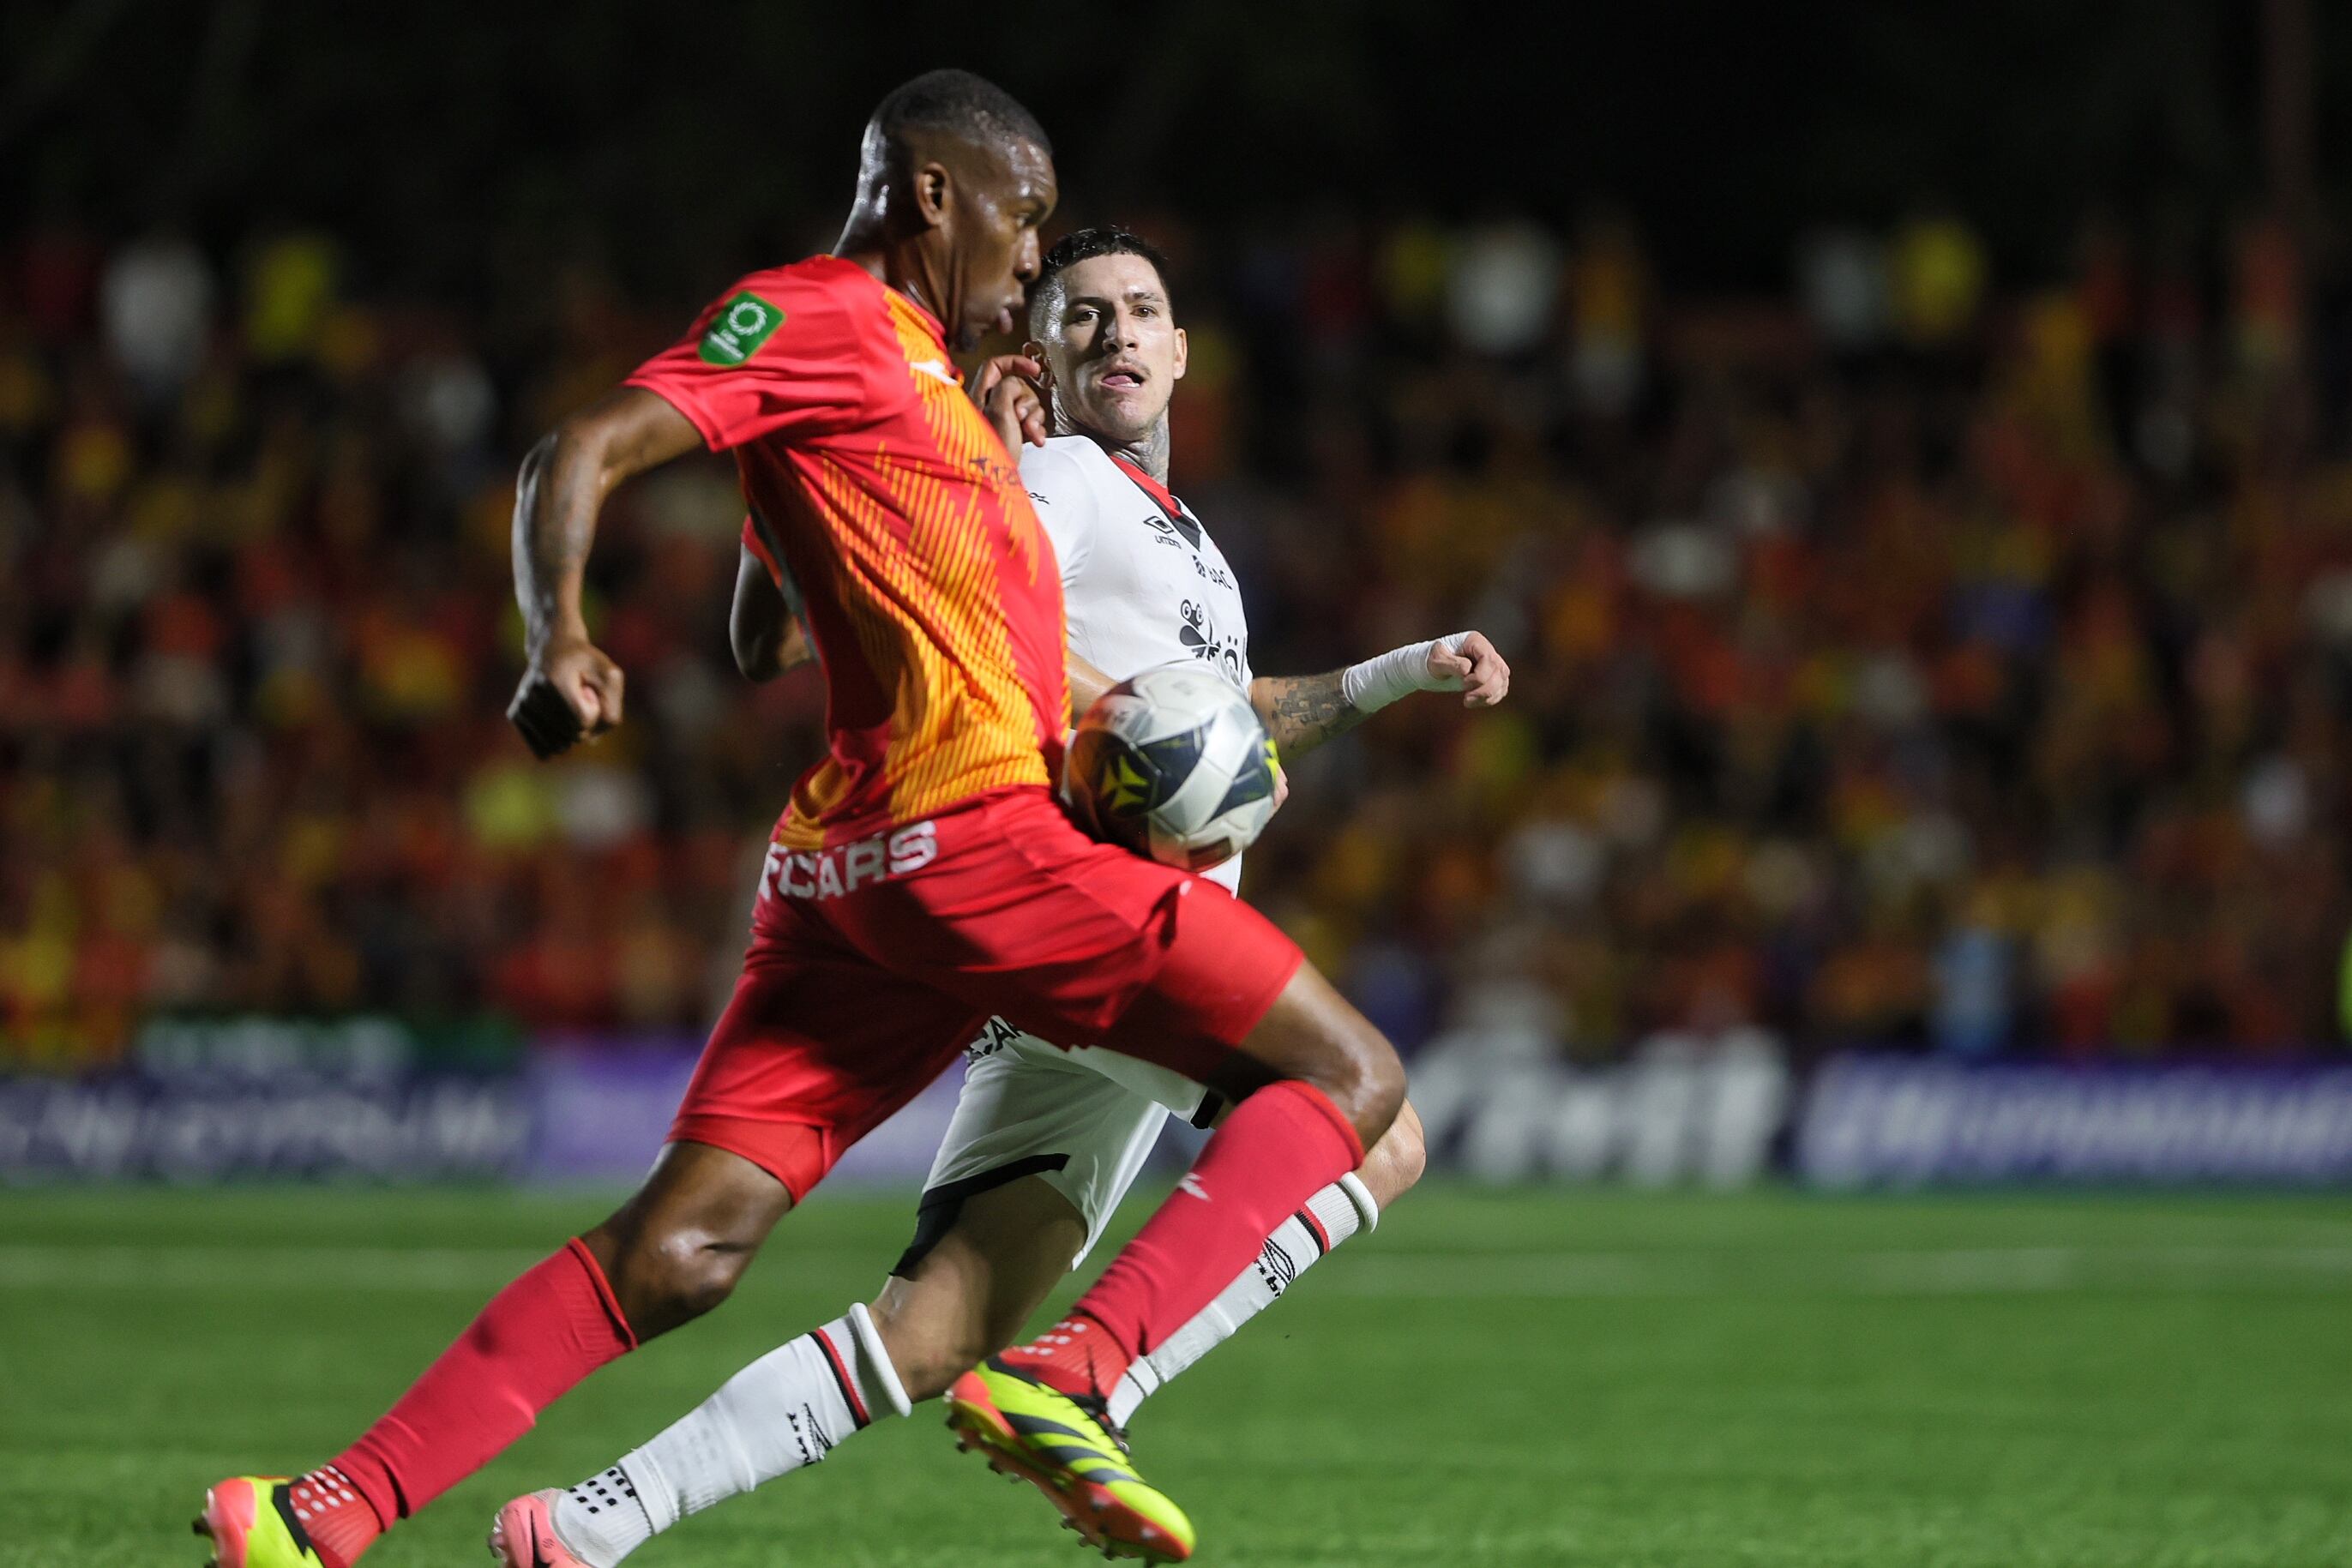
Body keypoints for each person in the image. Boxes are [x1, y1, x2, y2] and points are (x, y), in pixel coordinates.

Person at [193, 69, 1407, 1568]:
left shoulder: (919, 378)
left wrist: (939, 426)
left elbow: (769, 631)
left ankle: (322, 1513)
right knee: (1353, 1080)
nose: (1034, 262)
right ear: (937, 197)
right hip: (974, 840)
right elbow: (574, 452)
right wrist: (555, 634)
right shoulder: (819, 316)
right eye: (1024, 221)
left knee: (684, 1247)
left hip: (849, 877)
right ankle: (1079, 1372)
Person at [496, 225, 1510, 1566]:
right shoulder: (1060, 481)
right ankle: (1096, 1377)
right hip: (1091, 921)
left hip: (1117, 957)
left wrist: (1400, 671)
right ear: (1040, 350)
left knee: (937, 1330)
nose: (1120, 335)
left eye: (1144, 310)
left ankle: (587, 1520)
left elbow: (1226, 722)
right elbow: (947, 599)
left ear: (1186, 348)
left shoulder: (1190, 544)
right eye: (1082, 317)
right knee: (1371, 1131)